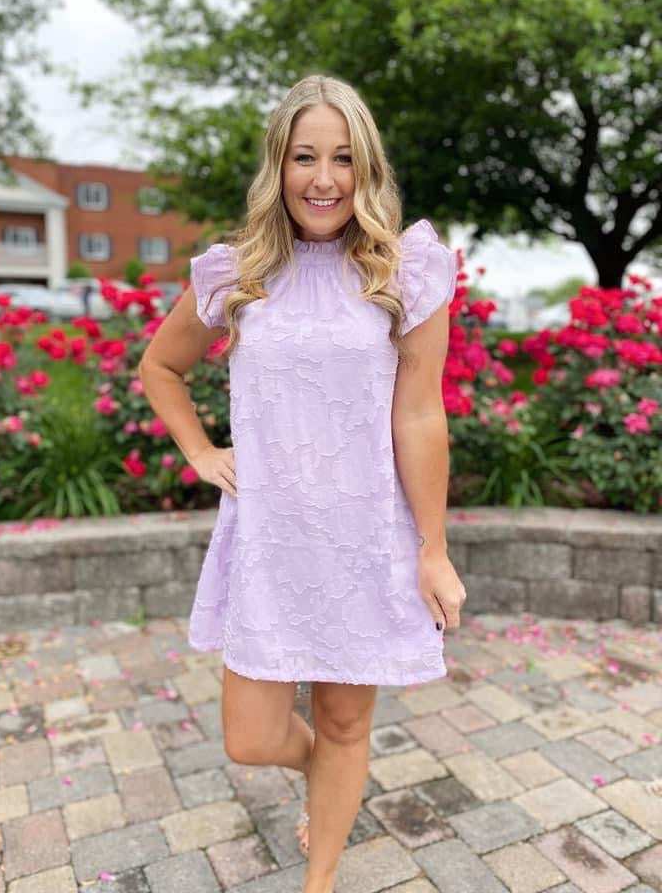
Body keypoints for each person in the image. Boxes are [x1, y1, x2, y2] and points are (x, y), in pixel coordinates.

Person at [138, 74, 467, 893]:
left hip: (366, 538)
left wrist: (433, 550)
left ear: (368, 168)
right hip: (271, 542)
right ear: (278, 166)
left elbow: (420, 415)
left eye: (344, 158)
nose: (324, 179)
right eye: (305, 157)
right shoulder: (235, 274)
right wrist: (200, 451)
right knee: (250, 739)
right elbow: (160, 367)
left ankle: (319, 876)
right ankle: (328, 775)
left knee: (346, 724)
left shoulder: (406, 273)